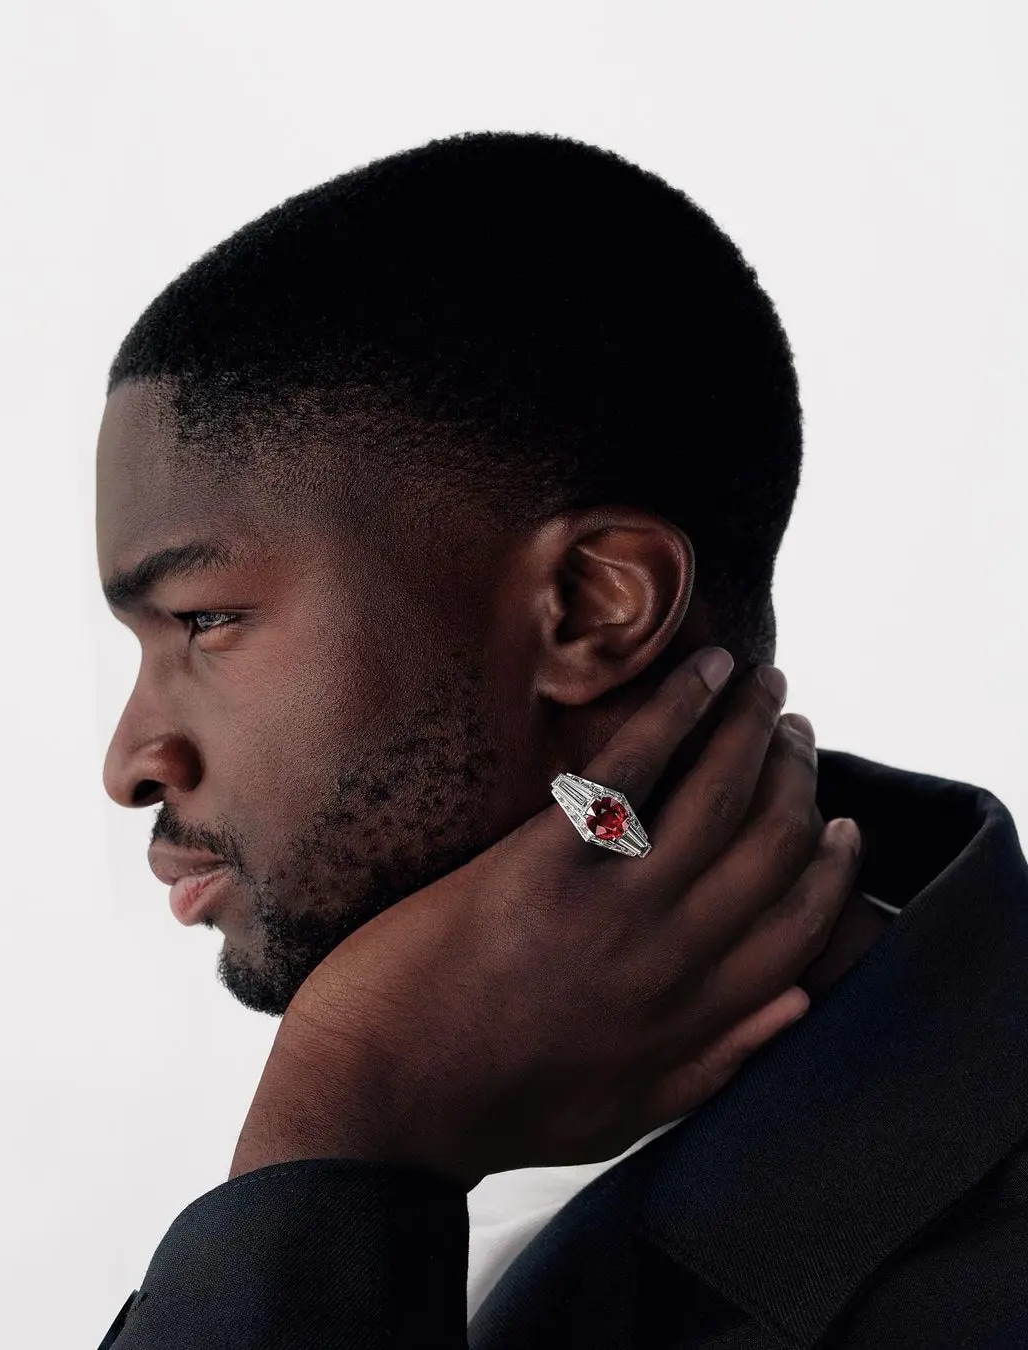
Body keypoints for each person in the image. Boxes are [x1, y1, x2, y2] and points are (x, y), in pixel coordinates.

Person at [93, 132, 1028, 1348]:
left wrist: (337, 1118)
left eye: (205, 621)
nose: (130, 761)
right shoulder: (466, 1133)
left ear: (593, 609)